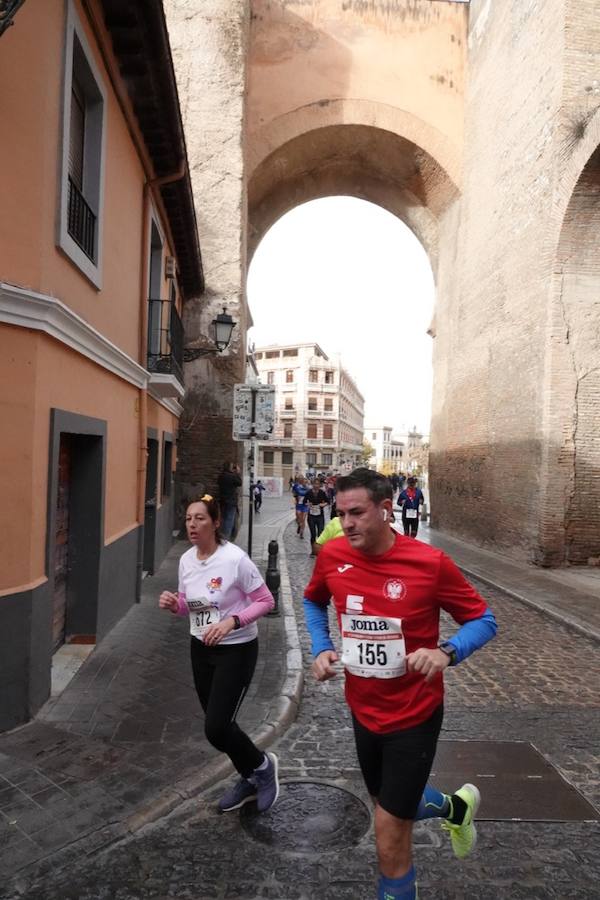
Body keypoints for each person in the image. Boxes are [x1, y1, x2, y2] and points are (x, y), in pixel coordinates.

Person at [303, 468, 497, 900]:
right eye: (341, 514)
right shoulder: (333, 556)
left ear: (386, 510)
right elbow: (313, 600)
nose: (346, 523)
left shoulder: (429, 563)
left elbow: (484, 620)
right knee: (390, 804)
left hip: (415, 713)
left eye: (356, 513)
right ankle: (455, 806)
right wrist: (320, 645)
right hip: (362, 708)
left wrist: (446, 652)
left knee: (389, 830)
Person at [159, 494, 279, 813]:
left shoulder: (235, 560)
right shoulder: (186, 561)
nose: (192, 524)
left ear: (215, 522)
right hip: (200, 647)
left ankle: (264, 769)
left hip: (236, 650)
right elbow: (190, 605)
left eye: (199, 518)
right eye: (188, 518)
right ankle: (250, 775)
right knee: (218, 729)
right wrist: (176, 605)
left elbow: (266, 601)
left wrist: (231, 622)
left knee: (217, 726)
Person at [217, 461, 242, 540]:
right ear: (230, 468)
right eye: (232, 467)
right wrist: (237, 473)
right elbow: (239, 483)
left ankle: (221, 535)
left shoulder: (221, 476)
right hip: (231, 501)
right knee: (229, 519)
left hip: (222, 500)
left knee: (223, 518)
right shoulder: (232, 476)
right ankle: (226, 538)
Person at [305, 479, 330, 555]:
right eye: (315, 484)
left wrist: (323, 504)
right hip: (311, 516)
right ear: (312, 484)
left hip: (320, 516)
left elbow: (327, 501)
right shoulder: (309, 492)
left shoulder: (322, 493)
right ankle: (313, 551)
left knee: (320, 533)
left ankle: (319, 550)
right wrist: (308, 504)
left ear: (320, 485)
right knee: (313, 534)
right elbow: (304, 501)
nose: (316, 485)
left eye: (318, 484)